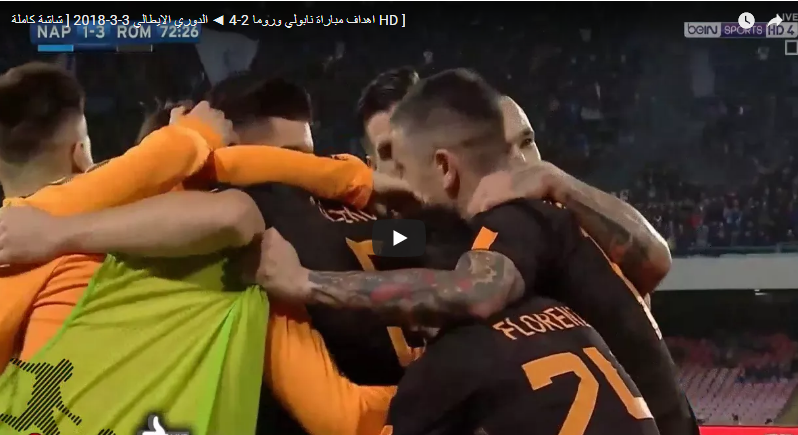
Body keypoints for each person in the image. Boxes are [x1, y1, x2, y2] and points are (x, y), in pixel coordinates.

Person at [257, 69, 694, 435]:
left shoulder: (516, 217)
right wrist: (335, 186)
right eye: (386, 158)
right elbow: (361, 241)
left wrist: (305, 282)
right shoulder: (436, 234)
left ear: (443, 160)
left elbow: (474, 289)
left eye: (525, 142)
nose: (400, 178)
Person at [357, 67, 670, 297]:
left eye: (525, 142)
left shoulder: (555, 215)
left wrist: (558, 182)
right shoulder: (409, 235)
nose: (517, 164)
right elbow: (372, 241)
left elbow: (655, 260)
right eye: (391, 154)